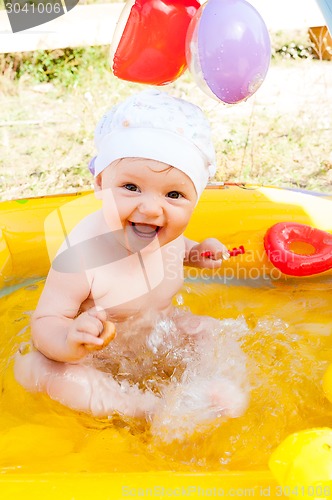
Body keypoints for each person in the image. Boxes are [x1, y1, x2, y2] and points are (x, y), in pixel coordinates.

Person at [14, 89, 248, 438]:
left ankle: (215, 388)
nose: (152, 208)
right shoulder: (81, 254)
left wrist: (197, 253)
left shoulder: (162, 234)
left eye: (173, 195)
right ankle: (149, 411)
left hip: (159, 331)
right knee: (39, 370)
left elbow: (178, 248)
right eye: (131, 187)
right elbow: (46, 320)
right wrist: (69, 337)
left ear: (195, 200)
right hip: (96, 355)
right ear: (99, 184)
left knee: (216, 332)